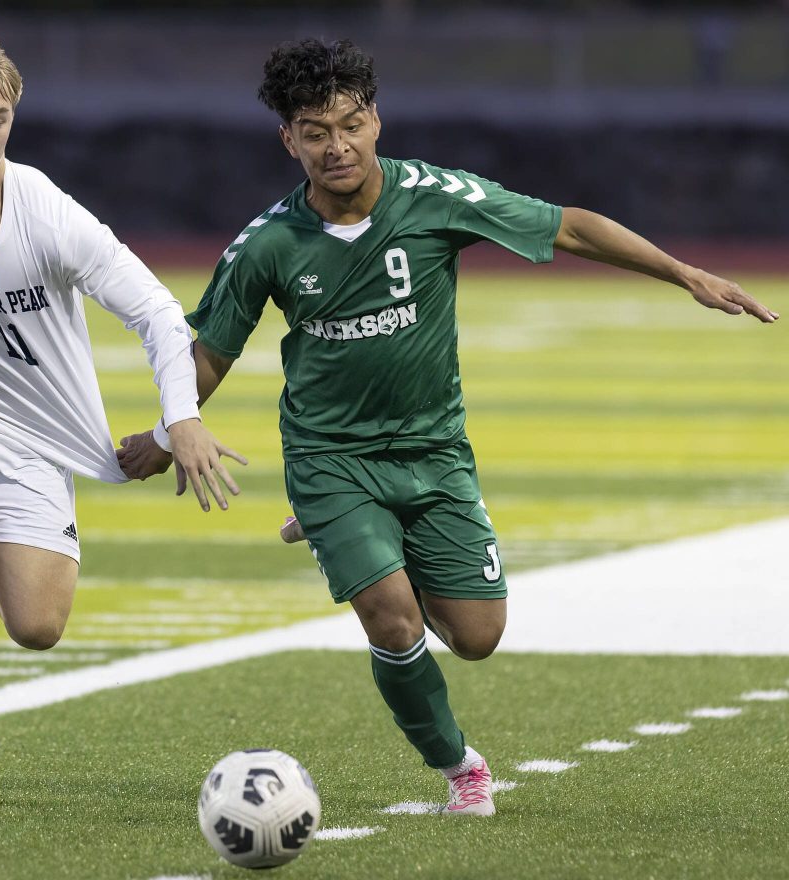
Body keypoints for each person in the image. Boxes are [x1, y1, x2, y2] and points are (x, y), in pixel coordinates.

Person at [116, 38, 779, 817]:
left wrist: (686, 273)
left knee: (477, 635)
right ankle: (459, 764)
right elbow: (209, 355)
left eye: (351, 124)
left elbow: (569, 227)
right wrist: (167, 435)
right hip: (332, 456)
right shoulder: (267, 244)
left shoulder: (435, 196)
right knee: (392, 615)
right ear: (287, 140)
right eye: (315, 131)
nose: (338, 146)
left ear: (376, 121)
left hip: (435, 454)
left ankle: (357, 537)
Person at [0, 34, 244, 809]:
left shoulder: (49, 214)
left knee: (37, 625)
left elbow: (159, 314)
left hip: (31, 435)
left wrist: (180, 420)